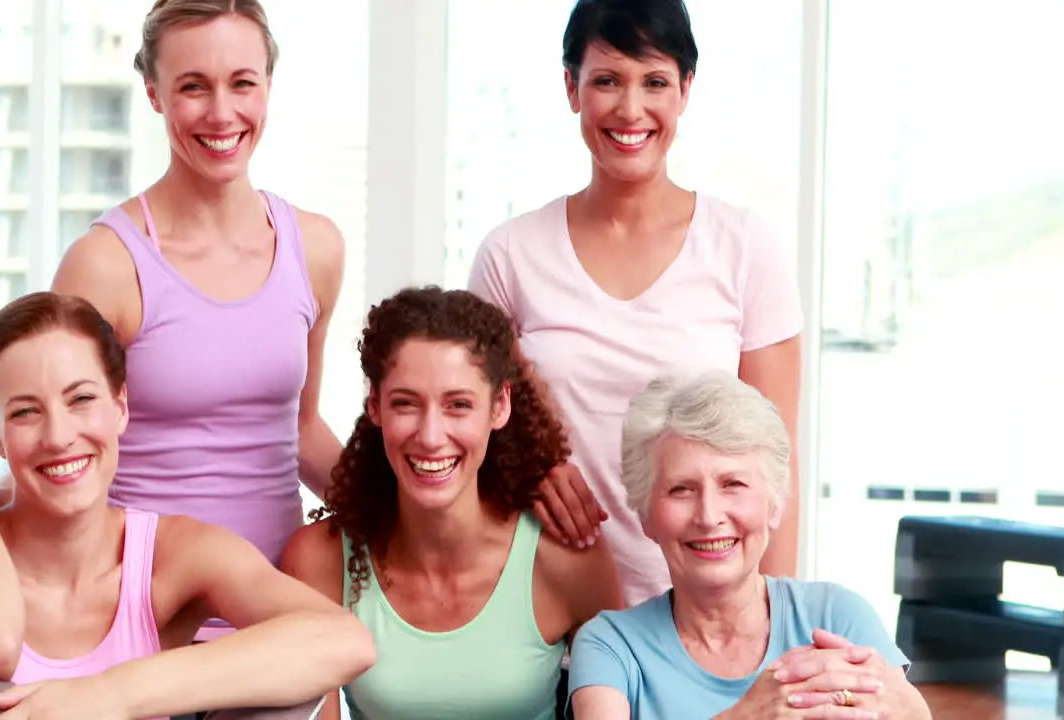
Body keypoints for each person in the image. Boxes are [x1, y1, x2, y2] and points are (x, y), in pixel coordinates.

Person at [0, 292, 375, 720]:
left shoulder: (172, 554)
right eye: (26, 412)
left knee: (284, 690)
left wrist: (108, 693)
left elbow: (343, 641)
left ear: (120, 405)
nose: (59, 436)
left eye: (82, 400)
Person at [468, 0, 803, 605]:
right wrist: (529, 461)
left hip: (702, 617)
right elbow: (475, 434)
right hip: (542, 613)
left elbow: (777, 470)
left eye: (654, 81)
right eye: (606, 80)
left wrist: (770, 632)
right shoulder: (509, 255)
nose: (630, 109)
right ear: (571, 88)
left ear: (685, 91)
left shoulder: (747, 247)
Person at [50, 0, 345, 590]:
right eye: (193, 87)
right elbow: (55, 451)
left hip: (273, 607)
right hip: (143, 609)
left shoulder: (315, 247)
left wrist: (415, 520)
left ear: (268, 86)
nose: (221, 113)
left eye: (242, 83)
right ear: (154, 92)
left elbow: (302, 428)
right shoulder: (106, 265)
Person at [280, 287, 624, 720]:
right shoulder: (319, 562)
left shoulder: (566, 559)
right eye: (406, 404)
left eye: (458, 405)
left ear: (499, 407)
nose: (430, 435)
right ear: (374, 406)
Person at [566, 372, 931, 720]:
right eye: (681, 489)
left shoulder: (837, 616)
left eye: (733, 484)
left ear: (774, 504)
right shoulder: (610, 646)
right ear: (646, 515)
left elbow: (914, 715)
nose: (708, 516)